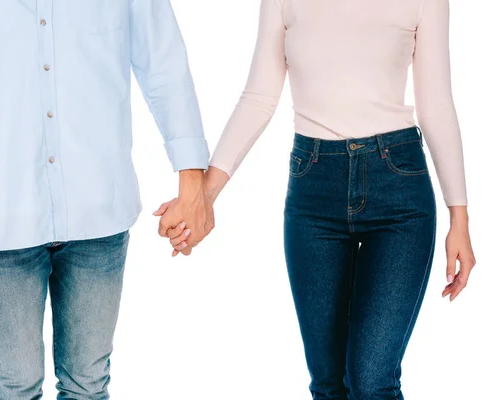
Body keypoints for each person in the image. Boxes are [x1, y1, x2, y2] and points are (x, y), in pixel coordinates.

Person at [0, 0, 213, 399]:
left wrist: (192, 183)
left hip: (99, 209)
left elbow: (163, 61)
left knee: (88, 386)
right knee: (11, 388)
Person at [160, 0, 476, 398]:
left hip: (398, 192)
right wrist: (202, 197)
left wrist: (458, 219)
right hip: (314, 191)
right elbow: (258, 97)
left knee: (371, 379)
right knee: (328, 384)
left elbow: (436, 105)